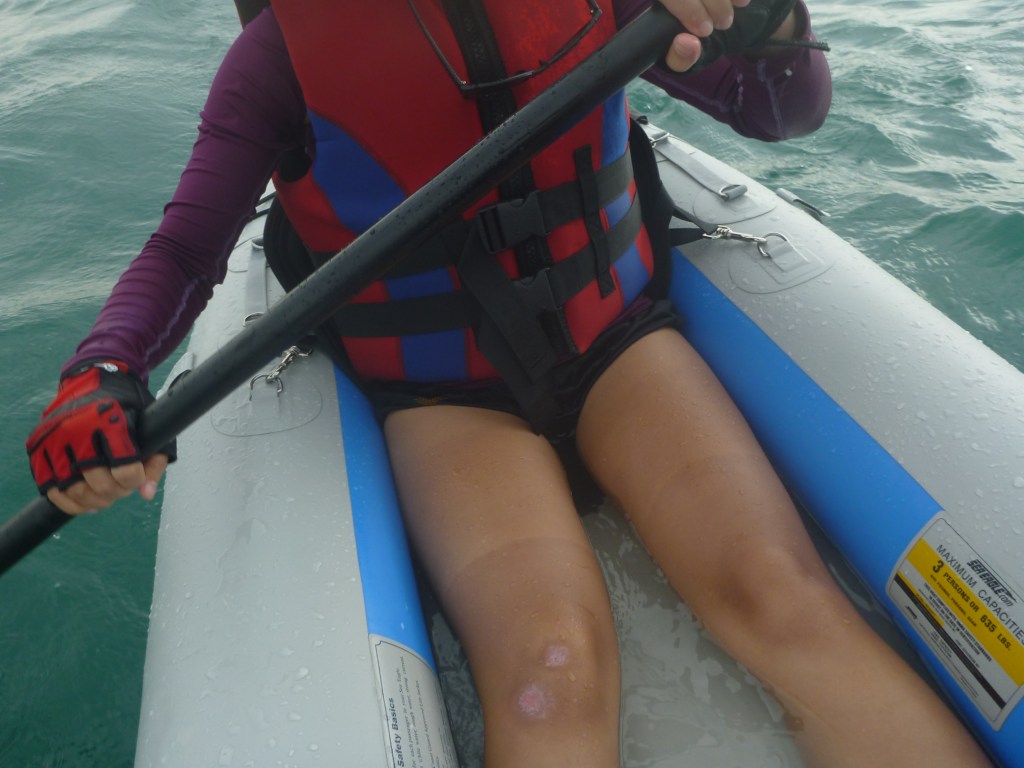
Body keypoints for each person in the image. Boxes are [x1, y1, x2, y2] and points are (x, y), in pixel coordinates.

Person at [26, 1, 990, 766]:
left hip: (618, 346)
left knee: (783, 596)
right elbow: (186, 250)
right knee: (552, 670)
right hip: (450, 403)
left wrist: (773, 18)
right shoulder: (282, 54)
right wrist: (99, 374)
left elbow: (782, 108)